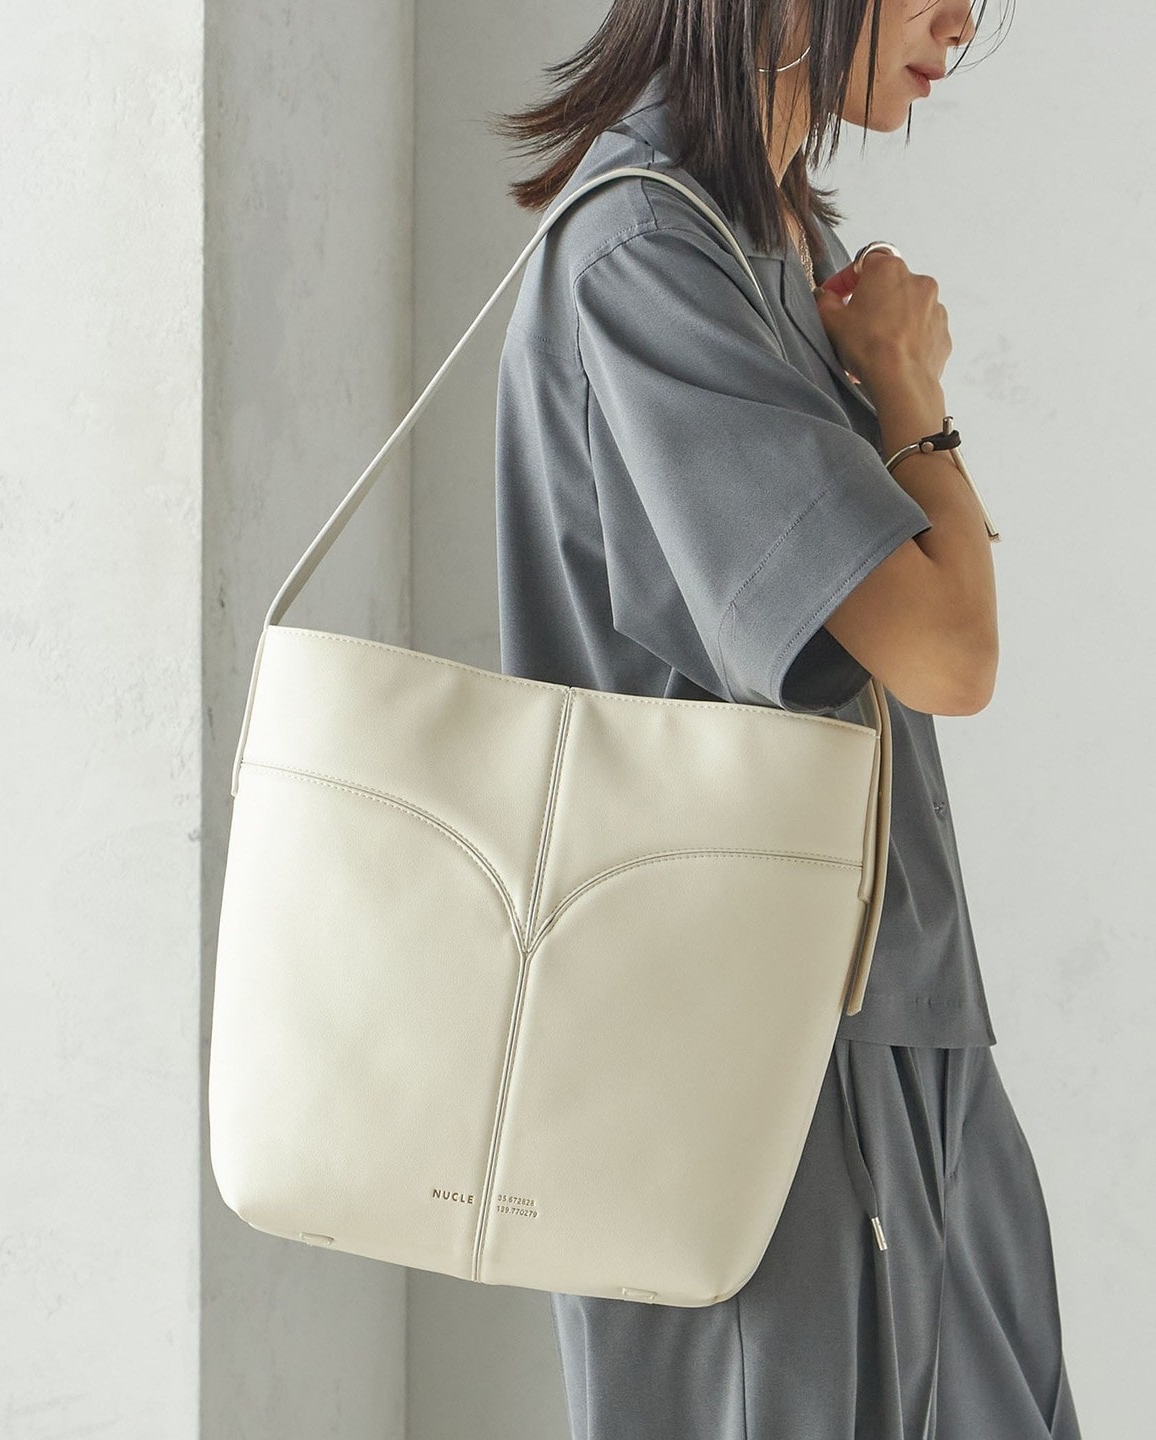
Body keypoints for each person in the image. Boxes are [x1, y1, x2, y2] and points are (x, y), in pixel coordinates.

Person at [488, 2, 1082, 1436]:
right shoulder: (644, 256)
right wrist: (911, 393)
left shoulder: (775, 246)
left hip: (896, 1021)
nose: (962, 20)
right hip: (741, 1062)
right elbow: (948, 649)